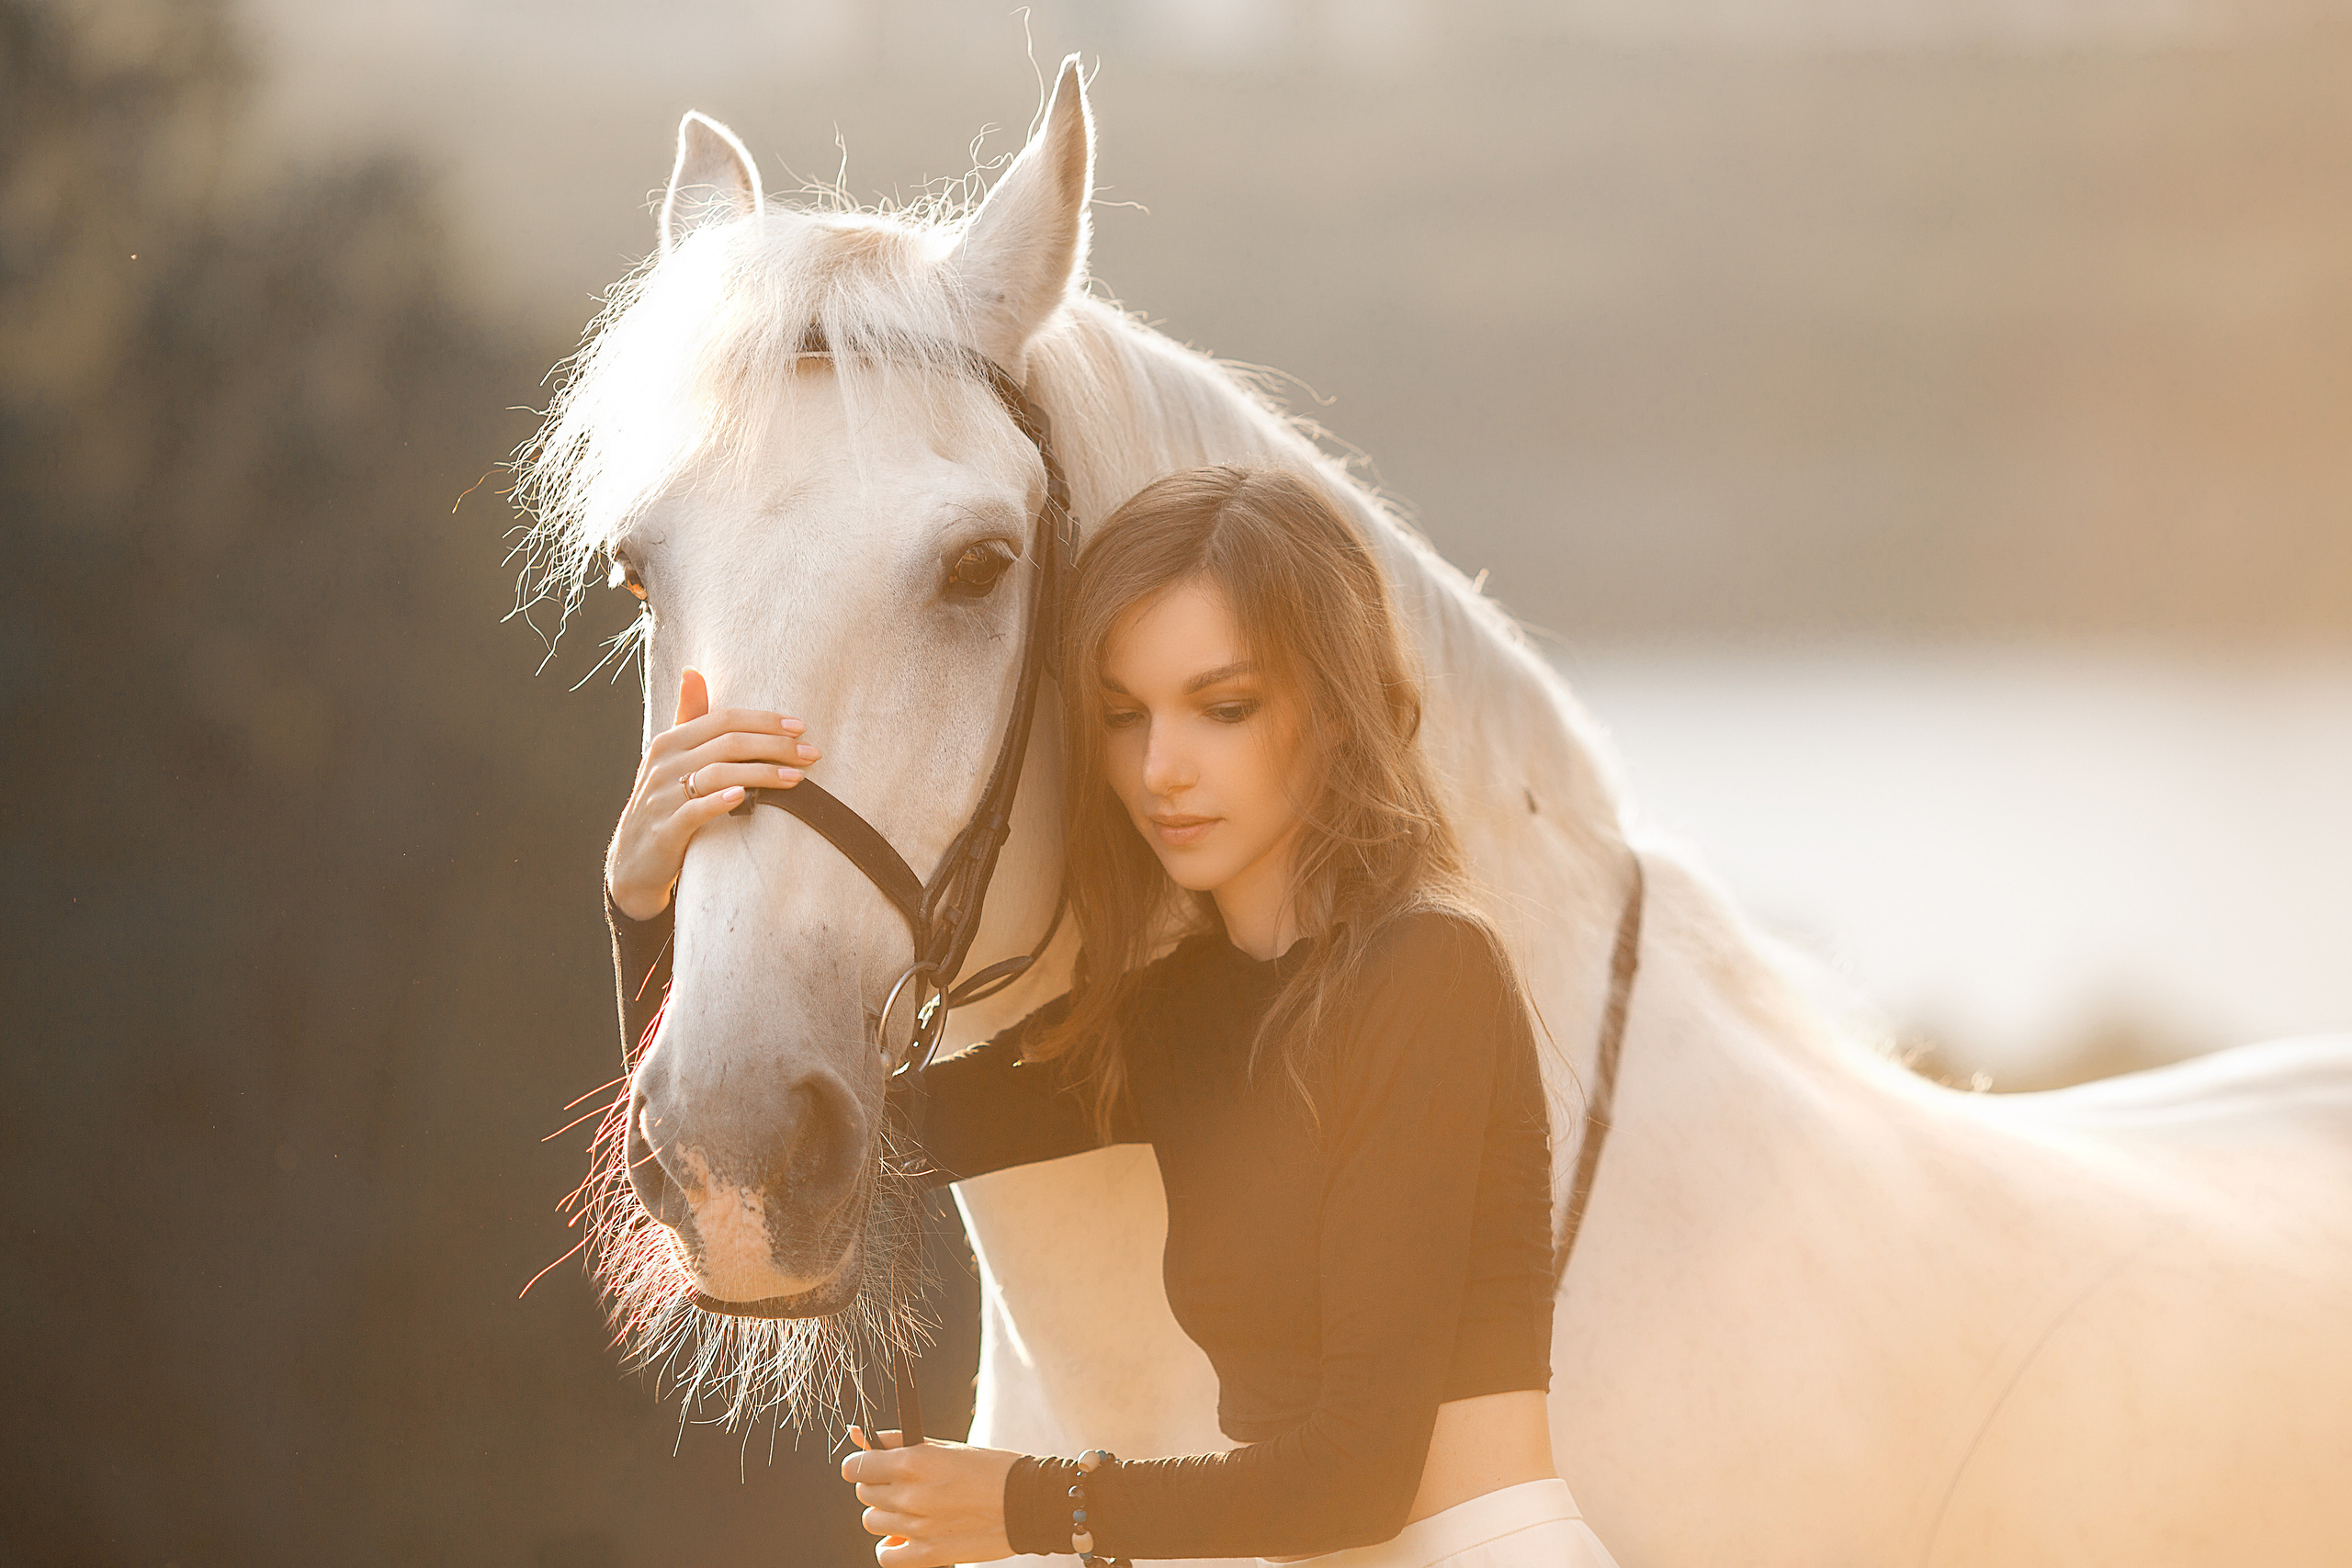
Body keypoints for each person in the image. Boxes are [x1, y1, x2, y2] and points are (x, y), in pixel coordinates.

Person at [605, 466, 1618, 1568]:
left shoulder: (1429, 970)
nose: (1159, 769)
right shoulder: (1178, 1015)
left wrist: (1024, 1507)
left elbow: (1357, 1479)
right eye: (1123, 716)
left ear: (1335, 714)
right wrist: (646, 902)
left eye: (1223, 708)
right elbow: (835, 1145)